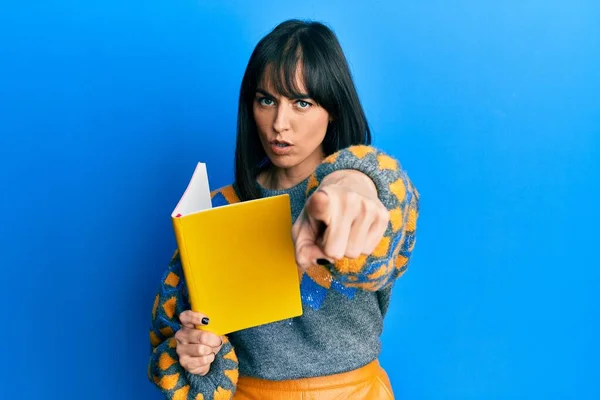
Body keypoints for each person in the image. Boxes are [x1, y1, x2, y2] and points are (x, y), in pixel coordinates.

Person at [148, 19, 419, 400]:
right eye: (267, 100)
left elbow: (390, 219)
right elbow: (172, 341)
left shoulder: (368, 189)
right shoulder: (216, 209)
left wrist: (355, 182)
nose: (280, 124)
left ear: (334, 110)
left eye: (302, 103)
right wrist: (199, 357)